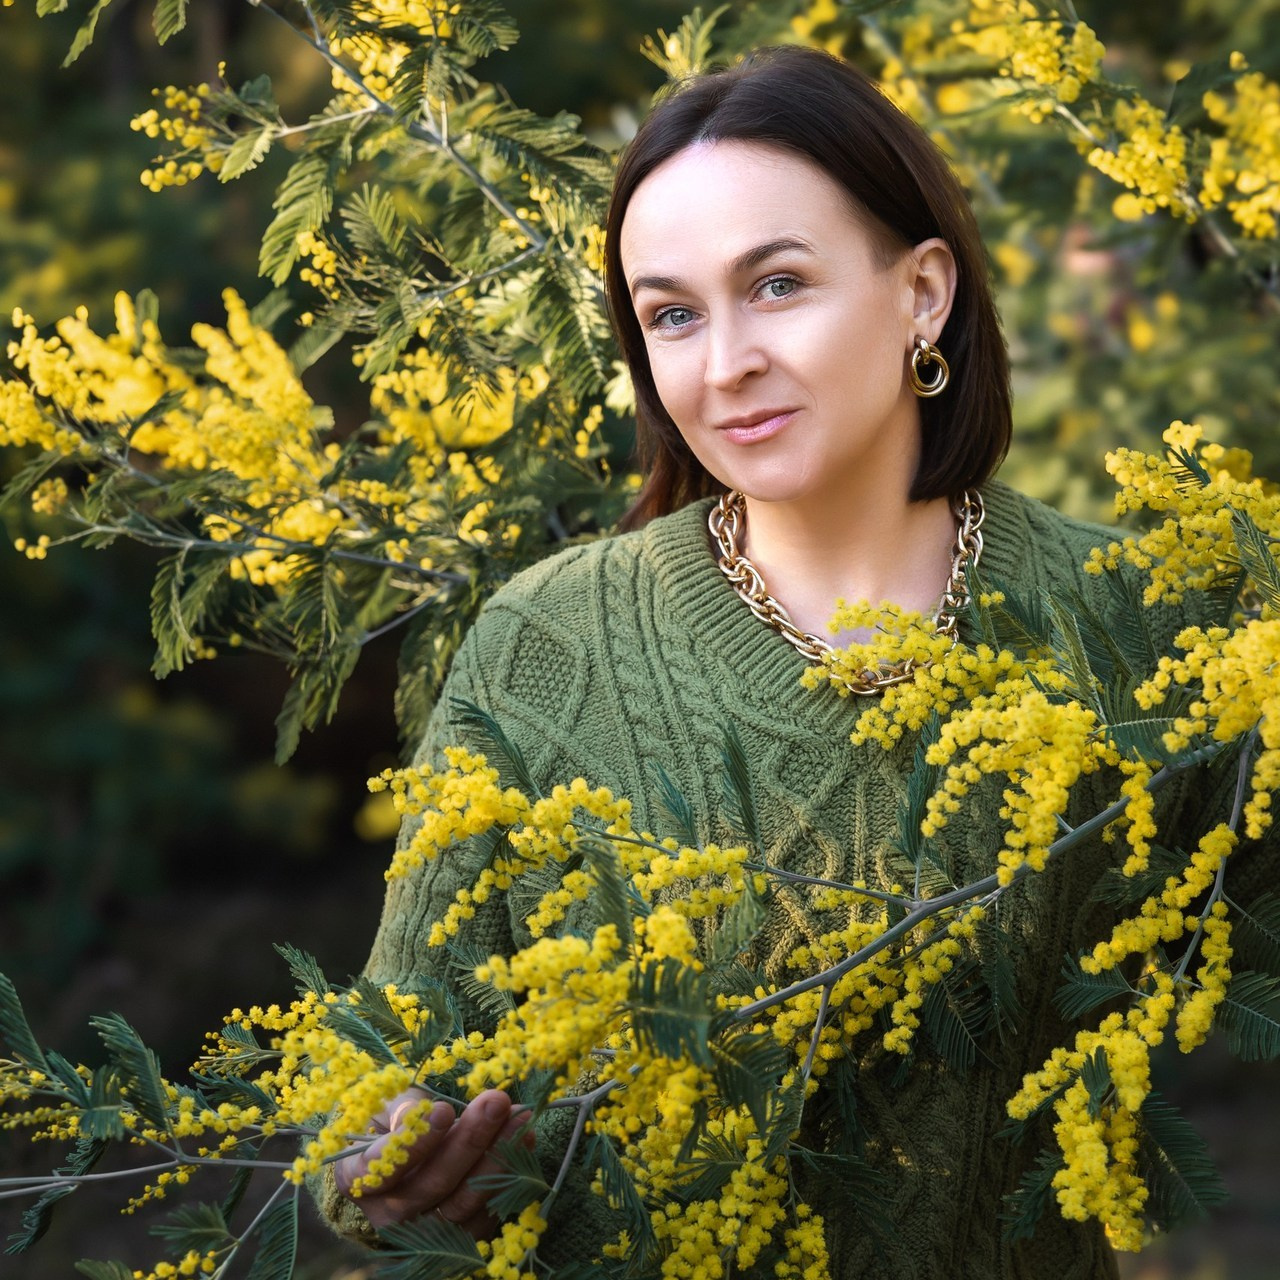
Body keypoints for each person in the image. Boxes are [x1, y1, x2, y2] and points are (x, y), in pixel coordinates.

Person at [316, 44, 1214, 1278]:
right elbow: (382, 1071)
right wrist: (389, 1154)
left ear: (922, 292)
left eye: (777, 284)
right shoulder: (542, 649)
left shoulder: (1139, 623)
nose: (722, 360)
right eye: (671, 313)